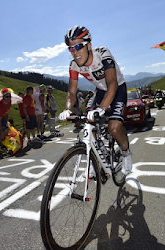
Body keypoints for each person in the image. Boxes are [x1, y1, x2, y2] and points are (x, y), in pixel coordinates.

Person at [59, 25, 132, 176]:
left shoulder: (102, 53)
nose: (75, 52)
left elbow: (112, 83)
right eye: (70, 48)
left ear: (89, 45)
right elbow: (72, 92)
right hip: (101, 91)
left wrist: (102, 108)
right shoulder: (74, 65)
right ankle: (97, 158)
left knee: (113, 127)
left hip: (117, 88)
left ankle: (126, 153)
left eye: (78, 46)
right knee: (88, 123)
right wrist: (67, 109)